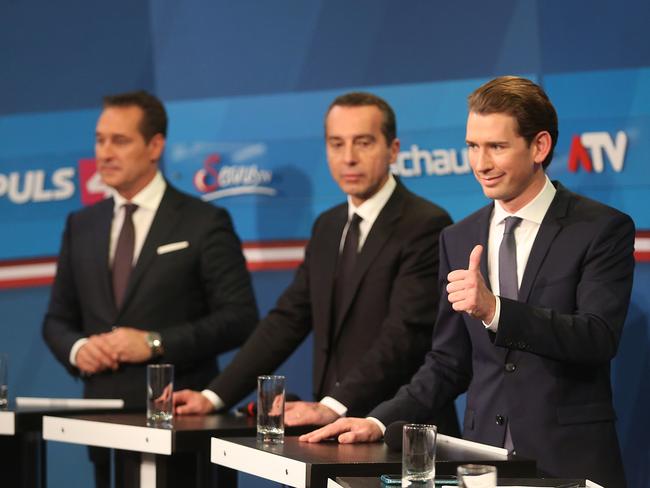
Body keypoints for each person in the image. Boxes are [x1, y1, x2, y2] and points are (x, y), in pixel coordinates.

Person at [300, 77, 634, 488]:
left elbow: (597, 337)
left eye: (497, 147)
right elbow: (447, 362)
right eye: (473, 146)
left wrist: (495, 311)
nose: (481, 163)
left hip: (570, 460)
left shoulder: (600, 228)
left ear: (540, 147)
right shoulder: (458, 237)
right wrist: (377, 419)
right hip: (483, 463)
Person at [174, 92, 459, 436]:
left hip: (398, 432)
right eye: (336, 144)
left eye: (363, 143)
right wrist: (214, 396)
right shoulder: (328, 225)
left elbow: (403, 335)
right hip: (330, 431)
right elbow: (288, 319)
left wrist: (333, 405)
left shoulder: (425, 223)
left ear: (393, 149)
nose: (349, 158)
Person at [42, 90, 259, 487]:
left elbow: (240, 317)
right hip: (102, 421)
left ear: (155, 145)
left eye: (119, 140)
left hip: (181, 421)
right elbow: (56, 318)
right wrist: (78, 349)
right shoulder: (81, 224)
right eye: (100, 139)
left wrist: (155, 343)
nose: (104, 152)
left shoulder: (204, 221)